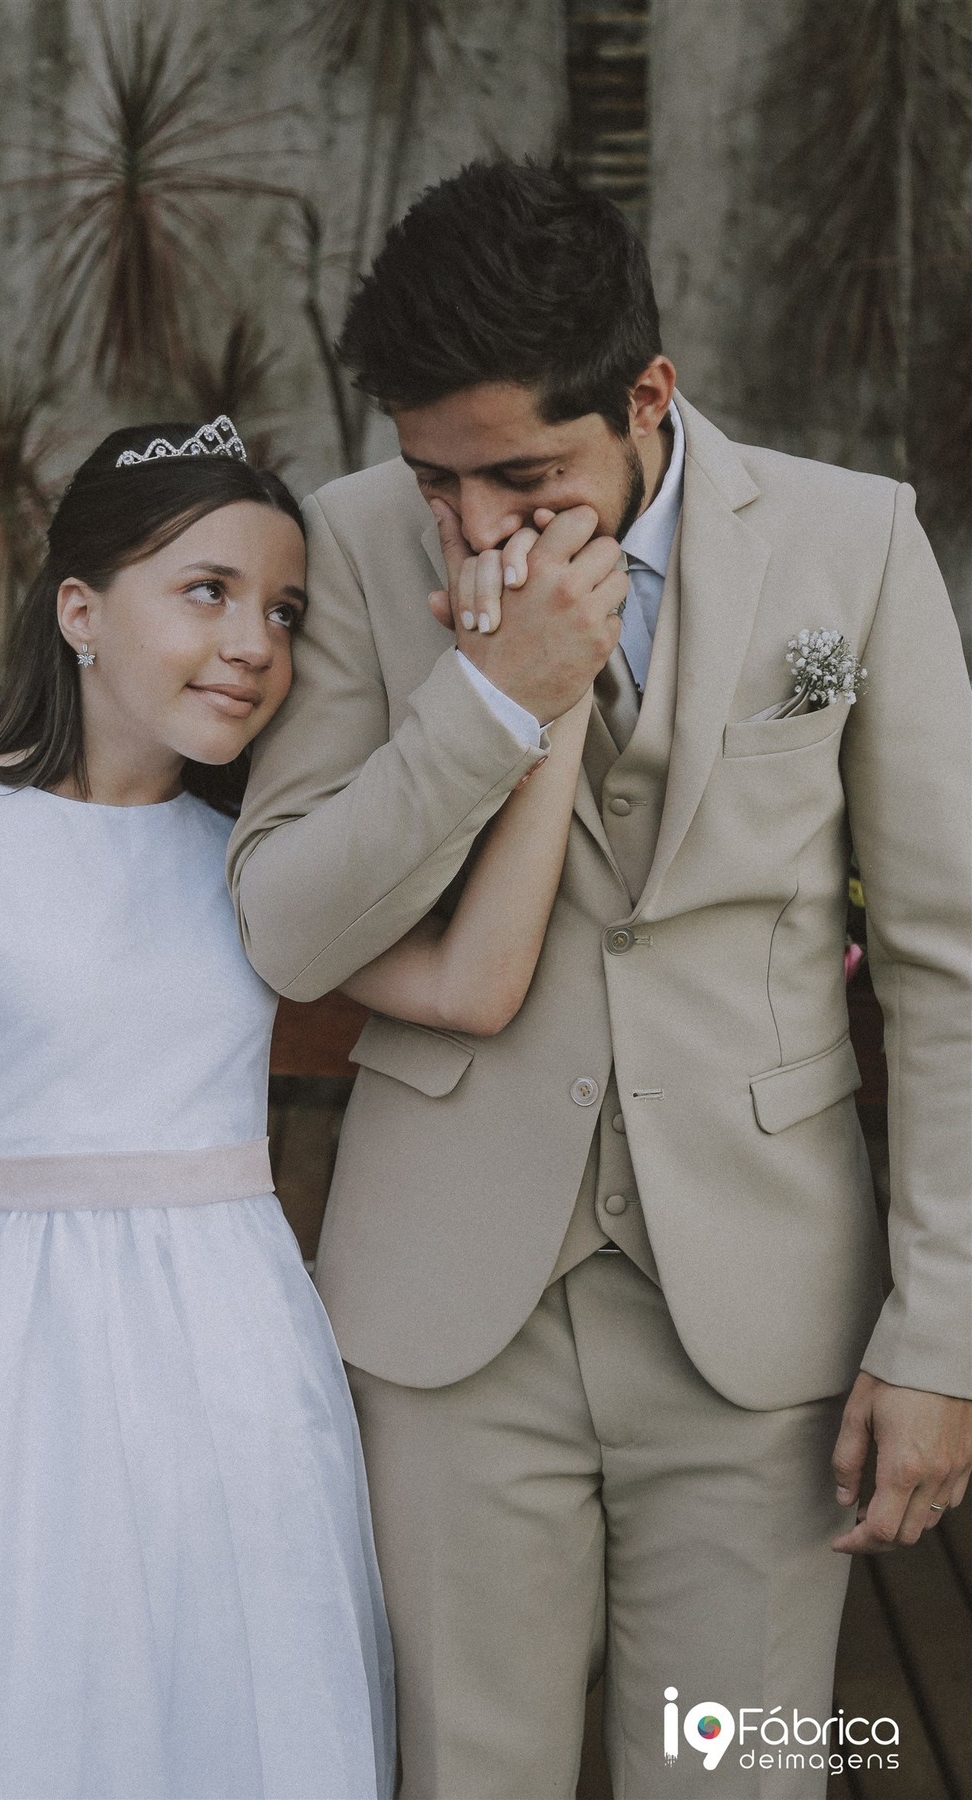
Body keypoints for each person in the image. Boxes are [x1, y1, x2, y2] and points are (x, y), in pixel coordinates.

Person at [227, 162, 972, 1799]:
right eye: (438, 477)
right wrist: (491, 703)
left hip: (763, 1318)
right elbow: (288, 928)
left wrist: (943, 1333)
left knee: (739, 1772)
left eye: (521, 474)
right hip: (448, 1310)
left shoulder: (850, 552)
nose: (476, 523)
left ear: (648, 397)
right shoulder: (356, 546)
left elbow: (944, 966)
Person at [0, 412, 599, 1799]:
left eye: (282, 610)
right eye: (206, 592)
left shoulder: (252, 871)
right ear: (82, 610)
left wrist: (544, 702)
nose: (253, 643)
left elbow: (475, 982)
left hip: (217, 1412)